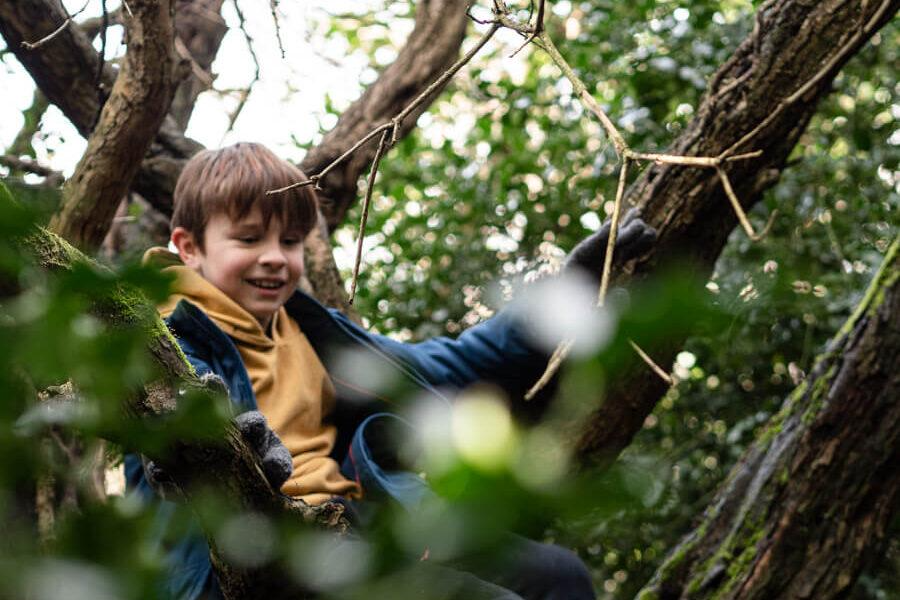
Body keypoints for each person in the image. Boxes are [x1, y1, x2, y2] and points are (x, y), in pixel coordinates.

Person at [125, 142, 655, 600]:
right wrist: (221, 445)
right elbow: (168, 436)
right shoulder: (163, 337)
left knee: (557, 576)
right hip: (264, 558)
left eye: (290, 241)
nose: (275, 258)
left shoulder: (306, 330)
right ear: (189, 247)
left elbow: (451, 361)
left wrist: (567, 291)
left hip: (359, 526)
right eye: (248, 239)